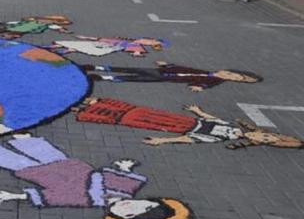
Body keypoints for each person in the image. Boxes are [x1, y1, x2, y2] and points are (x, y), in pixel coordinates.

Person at [0, 135, 197, 219]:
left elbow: (52, 197)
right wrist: (125, 166)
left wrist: (13, 196)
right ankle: (18, 135)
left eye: (131, 213)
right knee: (42, 149)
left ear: (121, 218)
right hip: (69, 165)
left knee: (17, 162)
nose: (132, 205)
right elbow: (122, 174)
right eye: (144, 205)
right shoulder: (125, 188)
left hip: (42, 176)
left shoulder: (88, 200)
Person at [75, 98, 303, 150]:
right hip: (185, 120)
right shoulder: (233, 129)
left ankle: (87, 111)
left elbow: (190, 138)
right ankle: (92, 103)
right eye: (265, 135)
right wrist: (198, 111)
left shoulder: (226, 138)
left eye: (264, 141)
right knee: (140, 111)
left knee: (133, 119)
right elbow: (212, 120)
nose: (259, 137)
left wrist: (161, 141)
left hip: (179, 127)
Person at [83, 61, 262, 92]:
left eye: (236, 79)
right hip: (164, 71)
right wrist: (167, 64)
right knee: (132, 69)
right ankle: (98, 67)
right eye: (234, 74)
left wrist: (201, 87)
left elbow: (209, 85)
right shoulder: (205, 72)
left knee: (138, 78)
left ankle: (102, 78)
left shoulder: (214, 80)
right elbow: (184, 67)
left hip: (166, 78)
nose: (230, 77)